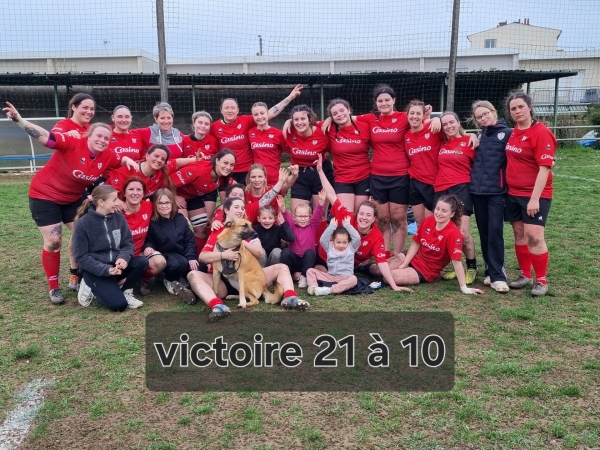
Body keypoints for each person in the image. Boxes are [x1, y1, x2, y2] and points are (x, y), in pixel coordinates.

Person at [3, 102, 137, 304]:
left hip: (73, 198)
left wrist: (126, 159)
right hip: (44, 195)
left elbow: (118, 163)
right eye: (98, 136)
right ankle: (53, 287)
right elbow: (46, 138)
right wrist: (19, 120)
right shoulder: (72, 143)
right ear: (88, 136)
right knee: (54, 241)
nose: (102, 140)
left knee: (84, 236)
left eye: (106, 138)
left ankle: (76, 274)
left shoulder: (108, 156)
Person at [189, 197, 310, 321]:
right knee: (193, 275)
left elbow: (259, 253)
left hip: (251, 277)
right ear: (226, 209)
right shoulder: (218, 230)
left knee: (282, 267)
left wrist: (240, 241)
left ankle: (290, 298)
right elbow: (202, 257)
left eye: (242, 208)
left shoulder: (249, 231)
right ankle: (218, 306)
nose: (240, 210)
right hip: (224, 282)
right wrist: (223, 255)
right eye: (236, 207)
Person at [315, 154, 411, 293]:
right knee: (322, 272)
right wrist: (320, 171)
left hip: (344, 267)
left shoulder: (376, 236)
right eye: (361, 214)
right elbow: (331, 195)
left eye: (368, 215)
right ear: (357, 214)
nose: (364, 218)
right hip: (325, 257)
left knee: (367, 272)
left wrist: (394, 286)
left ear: (374, 219)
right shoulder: (348, 218)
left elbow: (382, 262)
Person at [504, 92, 556, 297]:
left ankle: (541, 280)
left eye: (520, 107)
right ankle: (525, 275)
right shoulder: (514, 131)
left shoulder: (541, 132)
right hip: (512, 193)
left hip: (535, 195)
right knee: (519, 234)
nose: (517, 111)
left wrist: (534, 199)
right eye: (513, 109)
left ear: (530, 107)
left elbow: (545, 169)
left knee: (534, 236)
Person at [388, 195, 484, 295]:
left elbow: (457, 262)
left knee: (389, 277)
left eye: (444, 211)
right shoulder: (428, 221)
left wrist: (464, 288)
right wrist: (404, 264)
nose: (438, 213)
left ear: (452, 214)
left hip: (426, 270)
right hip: (413, 257)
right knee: (377, 269)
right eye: (437, 209)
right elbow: (416, 244)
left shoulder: (453, 233)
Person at [72, 185, 148, 311]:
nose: (117, 203)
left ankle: (123, 291)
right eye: (114, 200)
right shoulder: (83, 224)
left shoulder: (119, 218)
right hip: (96, 271)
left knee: (142, 262)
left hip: (116, 267)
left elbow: (128, 244)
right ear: (101, 202)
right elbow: (81, 257)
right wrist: (105, 270)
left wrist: (123, 258)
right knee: (119, 305)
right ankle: (87, 284)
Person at [211, 85, 303, 184]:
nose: (229, 110)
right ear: (221, 110)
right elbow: (202, 134)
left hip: (247, 171)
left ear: (238, 110)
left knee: (248, 197)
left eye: (233, 108)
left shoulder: (246, 121)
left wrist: (290, 98)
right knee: (226, 199)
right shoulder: (214, 127)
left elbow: (269, 113)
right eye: (226, 108)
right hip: (226, 171)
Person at [469, 100, 512, 293]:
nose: (483, 118)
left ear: (493, 111)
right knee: (484, 232)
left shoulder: (508, 134)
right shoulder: (479, 135)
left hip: (497, 192)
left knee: (495, 232)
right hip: (477, 193)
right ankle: (489, 270)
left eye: (486, 113)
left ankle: (498, 276)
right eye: (479, 117)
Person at [434, 111, 478, 285]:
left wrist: (473, 134)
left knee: (462, 231)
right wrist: (435, 118)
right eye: (445, 124)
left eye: (452, 122)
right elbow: (422, 123)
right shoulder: (441, 141)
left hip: (462, 189)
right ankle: (456, 264)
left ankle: (472, 267)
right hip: (442, 190)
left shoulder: (470, 142)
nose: (449, 126)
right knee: (448, 231)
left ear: (458, 122)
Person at [170, 149, 235, 252]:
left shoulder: (222, 176)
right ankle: (182, 258)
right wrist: (174, 196)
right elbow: (170, 180)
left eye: (232, 165)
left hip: (192, 197)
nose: (228, 167)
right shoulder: (200, 170)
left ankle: (198, 257)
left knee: (201, 229)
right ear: (217, 161)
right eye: (225, 163)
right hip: (175, 194)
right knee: (183, 226)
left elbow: (236, 185)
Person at [143, 188, 198, 304]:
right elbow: (149, 239)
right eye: (160, 203)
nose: (164, 206)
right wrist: (148, 246)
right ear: (155, 204)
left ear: (172, 203)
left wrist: (191, 258)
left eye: (167, 202)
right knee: (179, 263)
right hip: (166, 254)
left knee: (199, 266)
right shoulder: (152, 222)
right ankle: (169, 280)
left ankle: (190, 285)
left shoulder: (180, 219)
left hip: (182, 252)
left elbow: (190, 241)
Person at [108, 144, 200, 212]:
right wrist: (116, 200)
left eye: (163, 159)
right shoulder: (127, 170)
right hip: (116, 209)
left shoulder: (161, 170)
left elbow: (176, 162)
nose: (159, 160)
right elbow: (105, 192)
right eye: (156, 156)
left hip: (137, 210)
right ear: (147, 156)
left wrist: (196, 159)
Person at [119, 176, 167, 296]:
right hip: (120, 256)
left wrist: (183, 218)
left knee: (160, 262)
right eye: (131, 189)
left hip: (140, 253)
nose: (135, 193)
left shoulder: (148, 207)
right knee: (119, 286)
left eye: (139, 190)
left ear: (144, 193)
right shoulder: (116, 211)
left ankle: (143, 280)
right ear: (124, 193)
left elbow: (167, 208)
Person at [324, 99, 372, 213]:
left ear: (349, 110)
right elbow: (307, 123)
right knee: (346, 215)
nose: (339, 115)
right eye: (334, 114)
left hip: (364, 177)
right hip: (343, 178)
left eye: (342, 110)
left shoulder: (364, 126)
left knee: (359, 214)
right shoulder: (329, 128)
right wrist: (289, 121)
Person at [284, 104, 333, 214]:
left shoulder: (322, 131)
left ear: (310, 119)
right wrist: (288, 122)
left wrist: (330, 118)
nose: (299, 122)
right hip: (299, 174)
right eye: (296, 119)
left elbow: (340, 120)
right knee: (298, 214)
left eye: (303, 118)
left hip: (320, 173)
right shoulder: (288, 132)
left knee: (320, 216)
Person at [404, 100, 445, 228]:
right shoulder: (405, 135)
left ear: (423, 116)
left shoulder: (433, 129)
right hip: (414, 183)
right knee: (419, 222)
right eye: (412, 113)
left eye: (418, 113)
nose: (414, 116)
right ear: (407, 115)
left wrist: (438, 119)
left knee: (431, 223)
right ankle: (423, 247)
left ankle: (434, 247)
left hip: (432, 183)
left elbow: (454, 129)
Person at [279, 188, 326, 288]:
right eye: (300, 216)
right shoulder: (292, 225)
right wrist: (283, 208)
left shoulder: (312, 226)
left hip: (307, 262)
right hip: (294, 260)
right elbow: (287, 216)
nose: (303, 219)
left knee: (310, 252)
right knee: (286, 252)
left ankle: (304, 277)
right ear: (294, 217)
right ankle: (286, 275)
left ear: (310, 217)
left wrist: (321, 203)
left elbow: (317, 216)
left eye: (305, 216)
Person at [307, 216, 361, 296]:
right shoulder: (329, 247)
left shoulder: (351, 248)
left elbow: (357, 238)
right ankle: (314, 288)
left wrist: (348, 226)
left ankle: (329, 290)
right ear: (333, 240)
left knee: (354, 279)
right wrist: (331, 227)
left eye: (344, 242)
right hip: (330, 276)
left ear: (348, 242)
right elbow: (322, 240)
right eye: (338, 242)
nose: (341, 245)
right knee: (310, 271)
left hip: (345, 278)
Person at [249, 102, 287, 186]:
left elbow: (289, 150)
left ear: (268, 113)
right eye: (256, 114)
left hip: (274, 178)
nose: (259, 117)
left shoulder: (278, 133)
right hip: (257, 179)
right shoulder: (250, 132)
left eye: (262, 113)